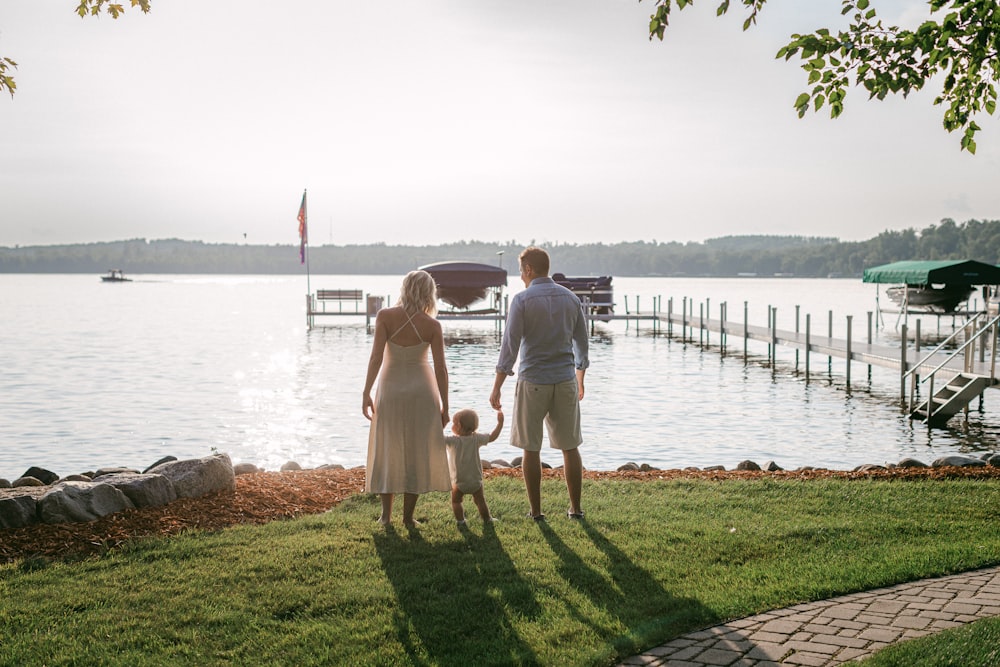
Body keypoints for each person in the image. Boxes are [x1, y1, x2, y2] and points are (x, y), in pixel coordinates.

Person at [489, 246, 589, 521]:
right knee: (570, 447)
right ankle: (575, 509)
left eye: (521, 270)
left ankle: (536, 511)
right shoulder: (571, 299)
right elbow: (582, 343)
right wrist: (580, 377)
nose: (520, 276)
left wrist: (497, 385)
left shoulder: (522, 300)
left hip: (533, 380)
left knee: (530, 448)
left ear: (529, 270)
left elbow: (509, 347)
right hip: (565, 379)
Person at [363, 270, 451, 527]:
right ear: (428, 294)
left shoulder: (385, 316)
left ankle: (385, 516)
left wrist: (366, 391)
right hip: (422, 393)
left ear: (404, 288)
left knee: (387, 448)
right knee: (415, 451)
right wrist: (446, 406)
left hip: (390, 389)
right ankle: (408, 518)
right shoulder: (432, 325)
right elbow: (441, 369)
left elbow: (376, 358)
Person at [444, 408, 504, 525]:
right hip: (475, 480)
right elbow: (492, 437)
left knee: (456, 502)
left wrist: (439, 423)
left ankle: (461, 521)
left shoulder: (452, 441)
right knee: (480, 501)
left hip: (459, 481)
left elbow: (437, 439)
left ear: (459, 425)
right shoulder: (476, 439)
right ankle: (487, 519)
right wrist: (500, 424)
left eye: (453, 423)